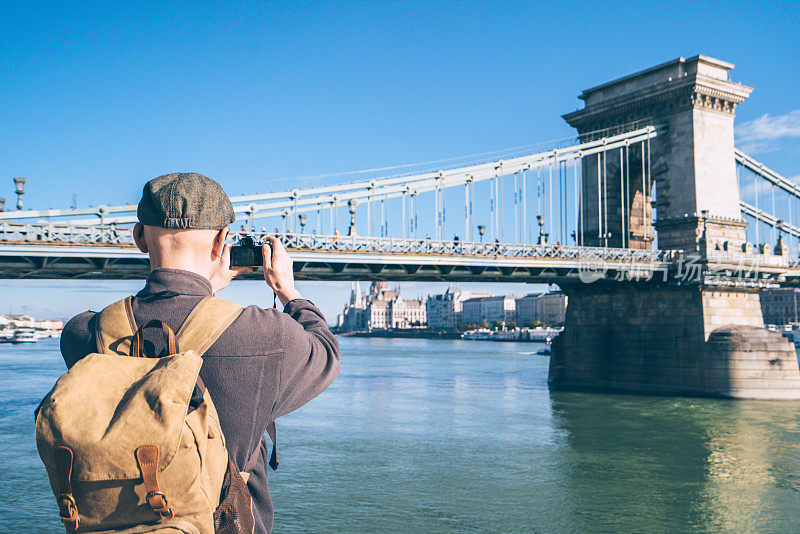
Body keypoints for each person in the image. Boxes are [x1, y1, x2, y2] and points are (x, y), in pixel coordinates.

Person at [60, 173, 340, 534]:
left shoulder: (83, 335)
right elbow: (326, 352)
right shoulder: (265, 335)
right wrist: (288, 290)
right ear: (222, 241)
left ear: (138, 237)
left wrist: (204, 295)